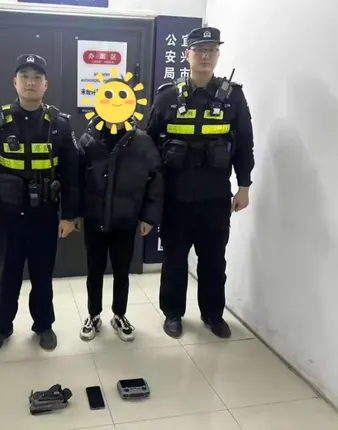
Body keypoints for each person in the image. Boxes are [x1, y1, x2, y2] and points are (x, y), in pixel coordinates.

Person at [146, 27, 255, 339]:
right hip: (175, 196)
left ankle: (213, 314)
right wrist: (150, 194)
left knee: (213, 260)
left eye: (211, 50)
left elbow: (244, 143)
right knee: (174, 259)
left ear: (218, 55)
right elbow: (149, 146)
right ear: (187, 55)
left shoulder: (233, 97)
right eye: (199, 50)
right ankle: (172, 314)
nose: (205, 56)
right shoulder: (167, 96)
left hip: (215, 196)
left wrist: (244, 186)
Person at [0, 54, 79, 353]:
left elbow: (71, 174)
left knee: (42, 277)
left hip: (44, 216)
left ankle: (44, 325)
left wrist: (69, 215)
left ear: (46, 85)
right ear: (15, 82)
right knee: (8, 276)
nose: (31, 82)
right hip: (7, 217)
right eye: (25, 76)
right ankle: (1, 328)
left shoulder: (59, 124)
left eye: (37, 77)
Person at [76, 109, 163, 342]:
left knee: (122, 271)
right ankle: (93, 315)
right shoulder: (88, 139)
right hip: (95, 219)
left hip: (126, 219)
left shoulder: (142, 142)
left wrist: (148, 217)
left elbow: (156, 178)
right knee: (94, 271)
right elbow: (76, 180)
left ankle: (119, 315)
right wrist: (74, 214)